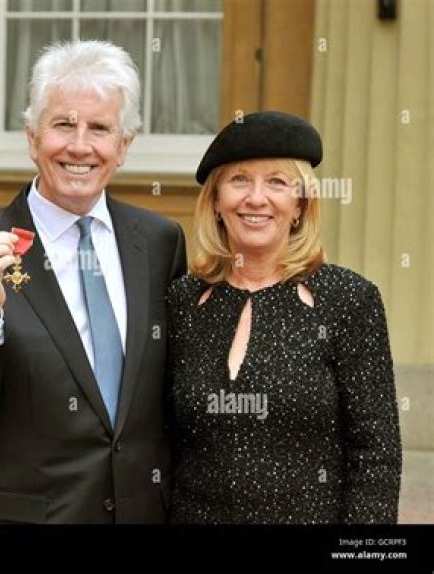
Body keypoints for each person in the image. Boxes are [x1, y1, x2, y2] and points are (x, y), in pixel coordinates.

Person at [0, 40, 187, 523]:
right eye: (63, 124)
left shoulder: (159, 244)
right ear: (32, 137)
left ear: (124, 146)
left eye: (100, 128)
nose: (79, 146)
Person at [166, 111, 402, 524]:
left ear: (300, 205)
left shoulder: (348, 299)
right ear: (216, 202)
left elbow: (376, 456)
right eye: (239, 180)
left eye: (277, 182)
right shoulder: (183, 300)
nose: (256, 198)